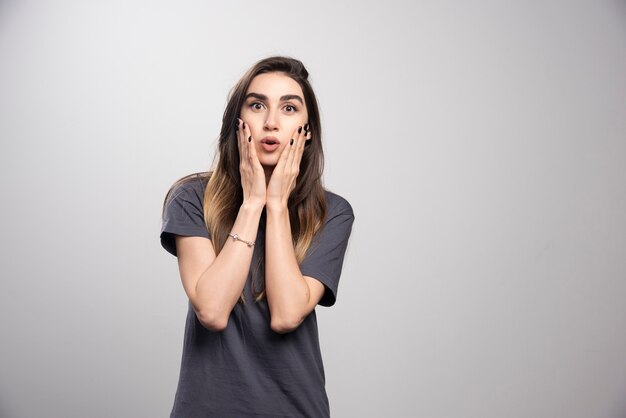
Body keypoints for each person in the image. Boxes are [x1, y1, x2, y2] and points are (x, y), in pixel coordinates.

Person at [160, 56, 354, 417]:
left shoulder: (333, 212)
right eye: (257, 104)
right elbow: (213, 310)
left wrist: (277, 205)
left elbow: (286, 314)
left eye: (289, 108)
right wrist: (252, 204)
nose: (271, 122)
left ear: (307, 130)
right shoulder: (191, 199)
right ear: (238, 121)